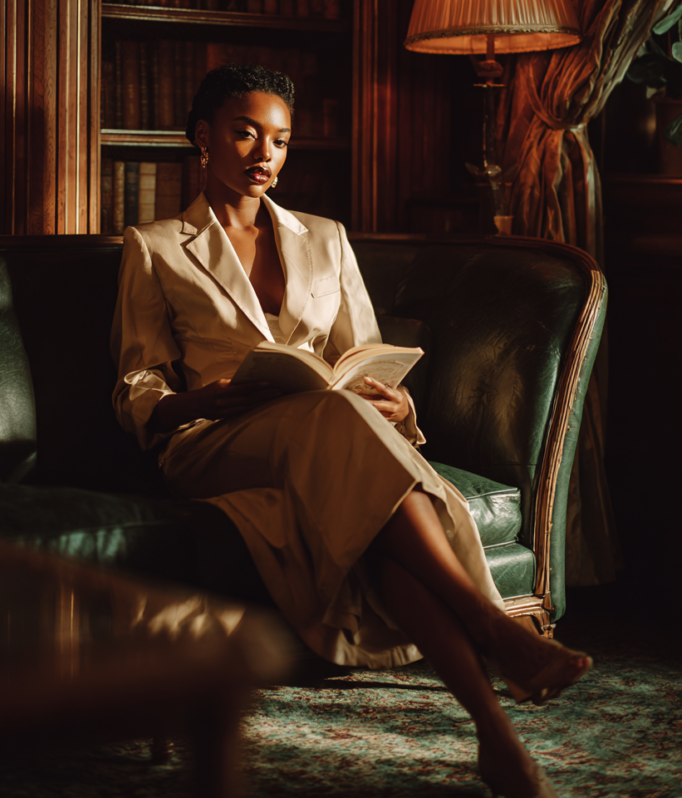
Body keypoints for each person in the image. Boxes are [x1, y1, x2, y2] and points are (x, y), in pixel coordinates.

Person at [111, 64, 591, 798]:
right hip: (214, 441)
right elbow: (137, 384)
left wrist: (396, 405)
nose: (265, 154)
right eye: (245, 133)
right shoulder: (155, 245)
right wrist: (198, 399)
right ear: (203, 137)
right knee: (342, 434)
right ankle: (493, 627)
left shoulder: (325, 238)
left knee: (370, 520)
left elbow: (363, 358)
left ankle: (496, 738)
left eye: (279, 140)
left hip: (326, 429)